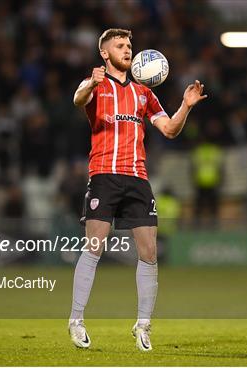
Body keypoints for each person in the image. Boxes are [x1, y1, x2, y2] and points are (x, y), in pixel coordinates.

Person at [68, 28, 207, 351]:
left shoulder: (144, 93)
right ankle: (76, 320)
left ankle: (143, 325)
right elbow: (78, 100)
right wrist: (90, 82)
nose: (127, 50)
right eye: (120, 45)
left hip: (138, 179)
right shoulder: (95, 85)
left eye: (129, 45)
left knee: (149, 253)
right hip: (104, 174)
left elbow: (169, 130)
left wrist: (186, 106)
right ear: (105, 53)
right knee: (94, 248)